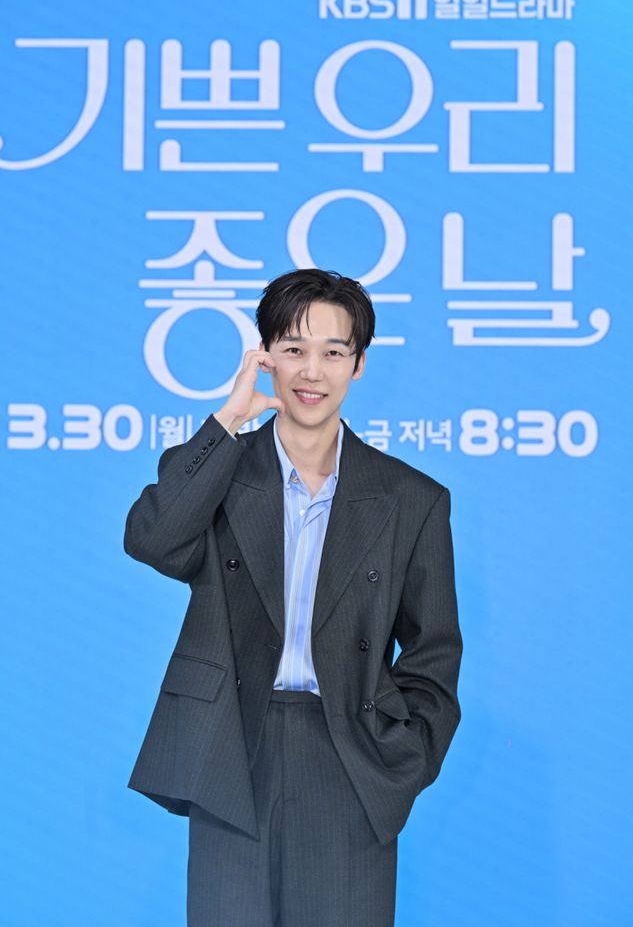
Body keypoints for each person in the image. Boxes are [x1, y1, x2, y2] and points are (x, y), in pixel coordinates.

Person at [124, 267, 463, 927]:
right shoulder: (219, 469)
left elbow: (434, 650)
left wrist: (404, 756)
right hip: (232, 746)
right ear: (265, 356)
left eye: (333, 352)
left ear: (358, 365)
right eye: (293, 348)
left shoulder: (410, 498)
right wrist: (228, 420)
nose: (312, 371)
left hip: (350, 752)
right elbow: (152, 540)